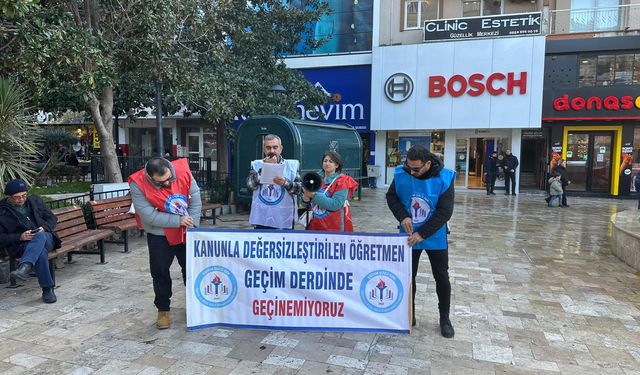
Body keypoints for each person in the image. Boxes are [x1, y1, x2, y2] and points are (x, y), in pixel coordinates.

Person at [385, 145, 455, 338]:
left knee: (441, 276)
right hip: (408, 234)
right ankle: (410, 314)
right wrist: (402, 216)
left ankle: (445, 318)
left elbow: (445, 212)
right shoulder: (402, 173)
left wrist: (422, 233)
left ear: (428, 164)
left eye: (416, 168)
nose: (412, 172)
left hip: (435, 234)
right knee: (408, 276)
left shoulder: (445, 177)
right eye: (409, 167)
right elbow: (391, 197)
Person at [129, 157, 202, 329]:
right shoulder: (138, 183)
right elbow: (149, 216)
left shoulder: (183, 171)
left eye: (169, 178)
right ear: (150, 177)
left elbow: (196, 199)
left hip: (186, 230)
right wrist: (178, 221)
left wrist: (193, 224)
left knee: (191, 269)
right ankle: (163, 309)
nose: (168, 184)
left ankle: (195, 305)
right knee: (160, 271)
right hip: (159, 234)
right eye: (162, 182)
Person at [0, 179, 60, 303]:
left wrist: (44, 228)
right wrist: (19, 237)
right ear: (8, 196)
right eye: (17, 197)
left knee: (39, 236)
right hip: (22, 245)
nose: (21, 200)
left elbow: (52, 219)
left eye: (24, 196)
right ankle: (48, 290)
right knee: (40, 253)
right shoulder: (2, 211)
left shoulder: (35, 201)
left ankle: (25, 266)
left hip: (47, 238)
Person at [246, 134, 301, 230]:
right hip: (262, 218)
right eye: (268, 148)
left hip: (284, 218)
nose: (272, 151)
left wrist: (285, 183)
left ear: (281, 149)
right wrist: (264, 168)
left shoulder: (291, 166)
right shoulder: (257, 165)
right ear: (263, 149)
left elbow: (299, 189)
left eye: (275, 147)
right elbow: (250, 185)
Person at [302, 151, 358, 232]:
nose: (327, 163)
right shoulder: (314, 178)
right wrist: (305, 199)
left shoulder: (343, 181)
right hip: (314, 225)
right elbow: (307, 203)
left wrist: (313, 195)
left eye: (331, 161)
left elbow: (335, 205)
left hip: (333, 226)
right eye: (325, 161)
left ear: (337, 165)